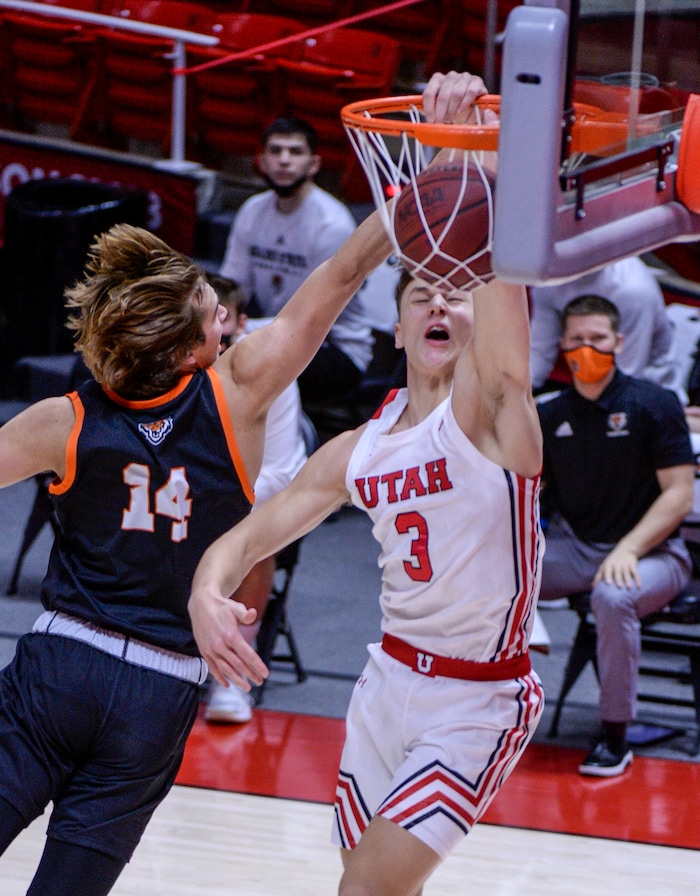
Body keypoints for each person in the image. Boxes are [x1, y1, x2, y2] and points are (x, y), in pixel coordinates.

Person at [0, 100, 407, 893]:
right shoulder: (243, 390)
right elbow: (345, 272)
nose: (226, 319)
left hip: (59, 665)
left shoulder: (63, 420)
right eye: (213, 315)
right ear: (192, 347)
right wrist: (424, 177)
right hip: (158, 687)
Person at [189, 75, 545, 894]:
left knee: (364, 891)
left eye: (462, 294)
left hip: (478, 701)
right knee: (377, 884)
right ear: (399, 322)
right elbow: (249, 535)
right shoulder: (359, 447)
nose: (444, 303)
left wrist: (469, 163)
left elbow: (505, 353)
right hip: (386, 683)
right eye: (427, 289)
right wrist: (207, 592)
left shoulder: (492, 415)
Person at [537, 293, 695, 777]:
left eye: (598, 339)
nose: (588, 348)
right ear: (563, 345)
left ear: (618, 342)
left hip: (655, 555)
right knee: (491, 576)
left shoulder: (655, 404)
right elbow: (532, 497)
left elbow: (679, 494)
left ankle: (613, 735)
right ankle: (483, 711)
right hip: (578, 550)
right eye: (578, 340)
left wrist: (629, 548)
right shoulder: (548, 414)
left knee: (611, 595)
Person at [203, 275, 308, 724]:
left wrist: (208, 497)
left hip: (250, 504)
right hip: (176, 497)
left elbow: (281, 476)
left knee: (254, 534)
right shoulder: (163, 362)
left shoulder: (272, 368)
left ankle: (231, 676)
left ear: (241, 324)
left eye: (226, 333)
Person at [219, 116, 374, 410]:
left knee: (249, 366)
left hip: (336, 349)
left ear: (314, 164)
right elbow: (231, 288)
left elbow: (313, 319)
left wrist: (239, 332)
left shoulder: (332, 223)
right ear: (261, 161)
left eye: (295, 152)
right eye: (275, 151)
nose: (284, 161)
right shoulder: (252, 211)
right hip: (272, 334)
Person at [529, 255, 686, 401]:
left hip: (650, 395)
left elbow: (628, 378)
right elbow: (539, 356)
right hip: (585, 390)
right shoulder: (548, 281)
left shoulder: (634, 290)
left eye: (597, 338)